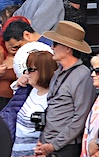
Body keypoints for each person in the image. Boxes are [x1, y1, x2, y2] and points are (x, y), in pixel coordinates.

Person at [34, 21, 93, 157]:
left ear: (68, 48)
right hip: (49, 144)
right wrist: (43, 142)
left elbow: (80, 117)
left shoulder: (82, 75)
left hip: (66, 148)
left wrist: (54, 145)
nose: (52, 47)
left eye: (55, 44)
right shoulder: (57, 72)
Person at [10, 50, 54, 157]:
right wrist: (19, 82)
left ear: (44, 71)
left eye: (31, 69)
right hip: (15, 151)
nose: (27, 73)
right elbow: (14, 99)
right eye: (26, 69)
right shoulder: (30, 89)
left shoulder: (52, 97)